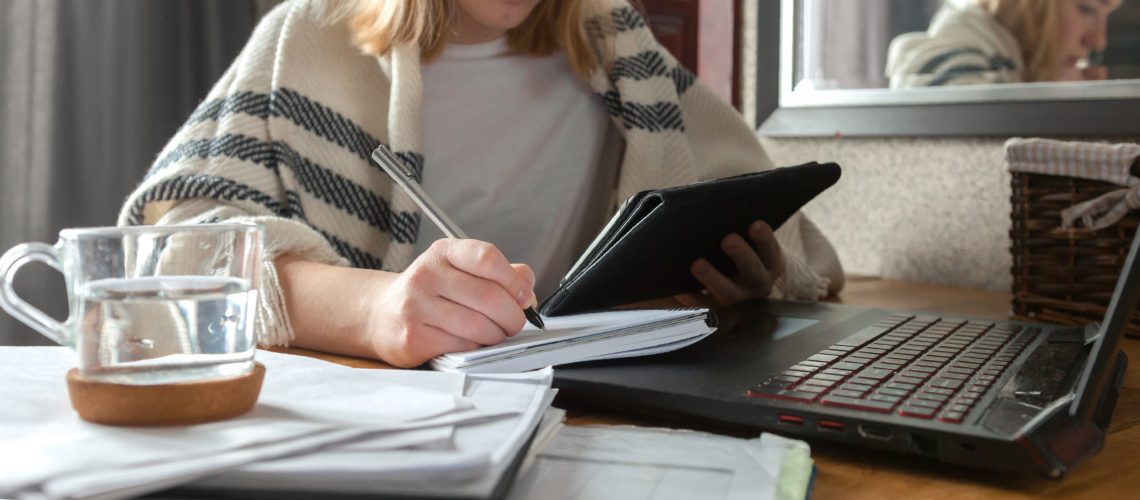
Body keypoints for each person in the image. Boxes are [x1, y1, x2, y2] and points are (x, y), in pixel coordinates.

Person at [118, 0, 845, 368]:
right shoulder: (307, 39)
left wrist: (741, 277)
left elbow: (789, 234)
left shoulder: (616, 45)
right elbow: (168, 252)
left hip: (591, 416)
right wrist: (373, 311)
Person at [886, 0, 1121, 88]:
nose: (1098, 41)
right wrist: (1052, 103)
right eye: (1086, 9)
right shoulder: (947, 62)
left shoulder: (1011, 69)